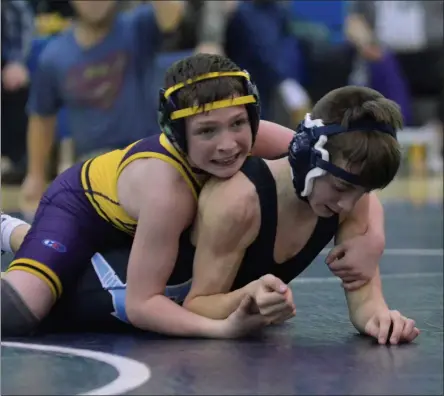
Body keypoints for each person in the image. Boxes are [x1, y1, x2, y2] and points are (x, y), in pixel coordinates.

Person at [2, 54, 385, 337]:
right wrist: (221, 330)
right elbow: (142, 304)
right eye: (206, 132)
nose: (227, 145)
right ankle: (17, 234)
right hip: (80, 210)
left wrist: (373, 237)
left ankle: (24, 236)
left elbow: (342, 164)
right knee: (20, 310)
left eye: (237, 124)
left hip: (143, 227)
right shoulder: (168, 190)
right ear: (177, 135)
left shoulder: (263, 137)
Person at [183, 86, 420, 345]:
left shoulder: (348, 195)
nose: (348, 205)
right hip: (151, 299)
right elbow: (196, 306)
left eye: (364, 192)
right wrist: (247, 298)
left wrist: (383, 320)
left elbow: (366, 304)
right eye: (342, 188)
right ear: (307, 156)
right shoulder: (239, 201)